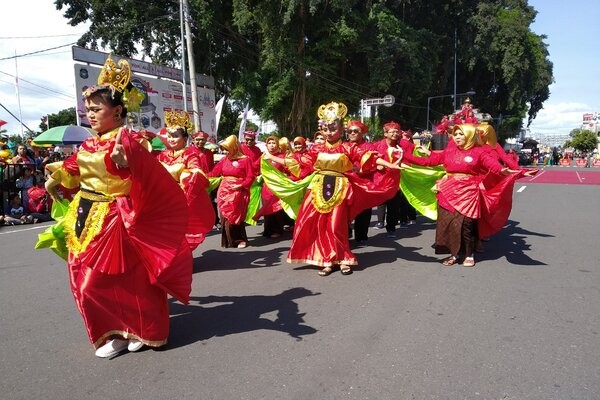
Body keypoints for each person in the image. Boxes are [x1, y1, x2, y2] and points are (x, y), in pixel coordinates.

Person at [41, 55, 192, 358]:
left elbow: (145, 175)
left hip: (117, 217)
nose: (91, 115)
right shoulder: (88, 143)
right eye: (89, 110)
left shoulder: (129, 139)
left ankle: (143, 328)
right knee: (84, 277)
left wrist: (128, 161)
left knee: (127, 279)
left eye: (97, 109)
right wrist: (56, 177)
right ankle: (116, 329)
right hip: (85, 214)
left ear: (118, 111)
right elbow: (74, 170)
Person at [262, 101, 402, 276]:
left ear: (341, 129)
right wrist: (270, 158)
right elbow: (298, 163)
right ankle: (327, 259)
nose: (329, 132)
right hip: (318, 189)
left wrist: (390, 164)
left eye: (333, 128)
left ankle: (343, 258)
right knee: (319, 225)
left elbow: (368, 157)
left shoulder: (348, 147)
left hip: (340, 189)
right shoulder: (317, 148)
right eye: (326, 128)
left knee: (337, 225)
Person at [403, 123, 518, 267]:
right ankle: (454, 254)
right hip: (447, 191)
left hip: (468, 192)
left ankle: (469, 254)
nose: (457, 137)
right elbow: (428, 162)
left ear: (470, 135)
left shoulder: (479, 152)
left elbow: (493, 165)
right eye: (455, 134)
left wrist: (503, 171)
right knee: (448, 223)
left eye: (461, 134)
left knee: (466, 225)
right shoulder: (449, 151)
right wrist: (405, 156)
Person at [156, 110, 215, 249]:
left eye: (175, 136)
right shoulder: (162, 156)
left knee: (179, 232)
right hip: (161, 199)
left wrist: (183, 183)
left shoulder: (190, 155)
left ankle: (181, 260)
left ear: (185, 138)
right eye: (169, 136)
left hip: (180, 198)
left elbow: (196, 173)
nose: (171, 139)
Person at [208, 135, 255, 248]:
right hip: (224, 191)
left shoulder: (245, 159)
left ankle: (239, 240)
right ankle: (229, 241)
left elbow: (250, 177)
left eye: (226, 148)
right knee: (225, 216)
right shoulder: (224, 159)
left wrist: (241, 185)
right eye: (223, 149)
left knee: (235, 216)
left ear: (234, 147)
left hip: (238, 192)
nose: (224, 151)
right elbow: (213, 173)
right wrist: (197, 174)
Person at [345, 120, 375, 245]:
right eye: (350, 131)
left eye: (355, 131)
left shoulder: (369, 147)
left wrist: (360, 170)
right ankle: (345, 233)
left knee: (363, 211)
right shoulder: (343, 146)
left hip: (364, 183)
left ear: (362, 132)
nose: (352, 133)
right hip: (346, 183)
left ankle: (361, 235)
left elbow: (373, 165)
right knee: (344, 211)